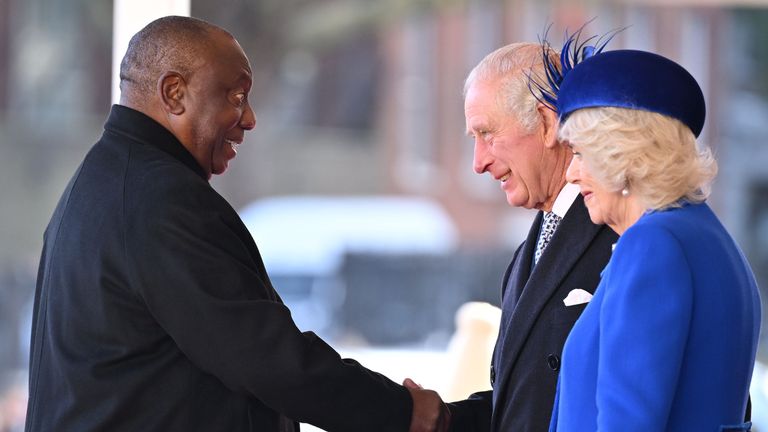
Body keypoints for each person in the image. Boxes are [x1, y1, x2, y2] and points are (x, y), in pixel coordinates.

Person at [24, 16, 449, 432]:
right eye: (235, 95)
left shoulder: (105, 182)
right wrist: (404, 412)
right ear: (174, 93)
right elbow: (268, 359)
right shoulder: (160, 200)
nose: (249, 118)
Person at [536, 36, 762, 431]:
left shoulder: (653, 244)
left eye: (579, 154)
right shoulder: (708, 237)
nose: (571, 173)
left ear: (622, 155)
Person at [437, 43, 618, 431]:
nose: (478, 162)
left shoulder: (627, 233)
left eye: (487, 133)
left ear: (547, 123)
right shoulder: (528, 250)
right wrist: (437, 418)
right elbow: (520, 404)